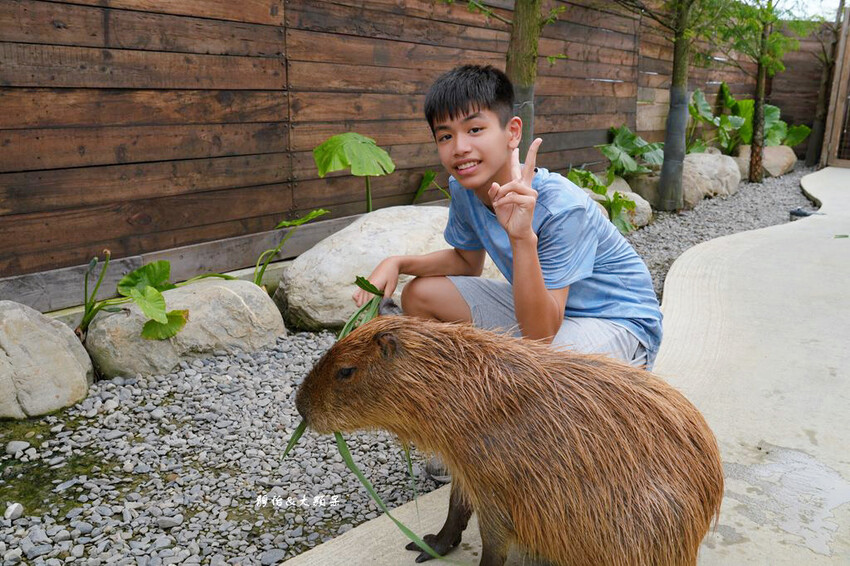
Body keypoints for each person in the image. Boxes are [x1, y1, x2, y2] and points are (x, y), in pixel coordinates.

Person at [352, 64, 663, 480]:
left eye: (475, 129)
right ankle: (456, 428)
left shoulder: (560, 207)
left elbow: (538, 339)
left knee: (534, 374)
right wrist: (398, 263)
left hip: (617, 321)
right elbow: (466, 262)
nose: (459, 147)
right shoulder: (466, 187)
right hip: (552, 312)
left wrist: (522, 237)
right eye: (445, 135)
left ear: (512, 132)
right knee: (420, 295)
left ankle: (534, 452)